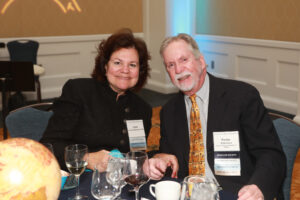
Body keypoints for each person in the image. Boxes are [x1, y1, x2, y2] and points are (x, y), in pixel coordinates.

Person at [148, 33, 286, 200]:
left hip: (236, 193)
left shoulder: (241, 97)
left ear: (201, 61)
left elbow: (270, 153)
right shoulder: (169, 111)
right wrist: (160, 158)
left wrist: (258, 187)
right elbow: (169, 159)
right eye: (171, 65)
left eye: (184, 60)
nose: (178, 70)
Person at [40, 29, 152, 171]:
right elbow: (49, 145)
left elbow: (137, 156)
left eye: (132, 65)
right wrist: (86, 158)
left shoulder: (143, 109)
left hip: (118, 183)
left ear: (140, 71)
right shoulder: (79, 91)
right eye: (117, 63)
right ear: (105, 66)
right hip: (78, 178)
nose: (125, 70)